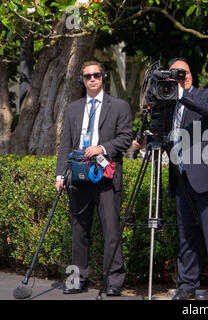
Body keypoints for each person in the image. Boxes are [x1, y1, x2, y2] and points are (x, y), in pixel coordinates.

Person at [55, 61, 133, 296]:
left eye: (96, 75)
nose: (92, 79)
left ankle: (114, 282)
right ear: (82, 79)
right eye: (87, 76)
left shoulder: (119, 106)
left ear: (102, 77)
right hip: (78, 176)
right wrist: (61, 174)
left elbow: (126, 138)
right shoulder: (73, 108)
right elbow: (65, 144)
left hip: (105, 175)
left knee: (111, 229)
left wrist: (102, 147)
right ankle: (78, 280)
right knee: (79, 230)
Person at [166, 58, 208, 300]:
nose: (185, 76)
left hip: (207, 178)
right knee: (187, 237)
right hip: (181, 178)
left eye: (187, 72)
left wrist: (182, 93)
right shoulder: (170, 103)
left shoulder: (204, 95)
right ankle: (187, 284)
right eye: (178, 74)